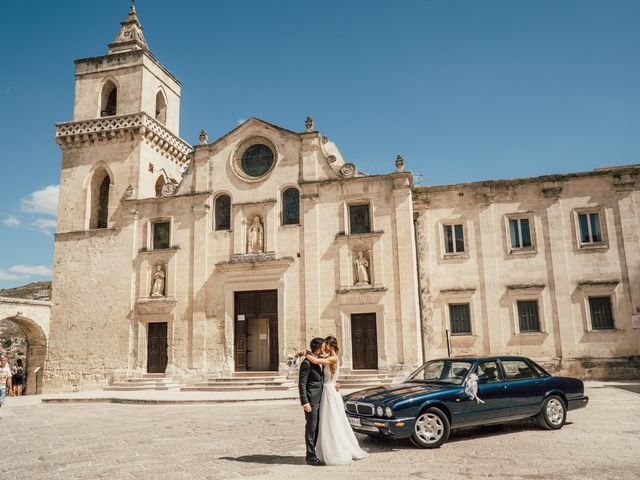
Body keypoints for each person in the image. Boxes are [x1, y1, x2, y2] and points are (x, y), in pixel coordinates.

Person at [304, 335, 368, 466]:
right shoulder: (328, 358)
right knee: (328, 421)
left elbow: (315, 361)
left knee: (331, 420)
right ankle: (324, 449)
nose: (324, 348)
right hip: (329, 390)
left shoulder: (332, 358)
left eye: (326, 345)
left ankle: (334, 449)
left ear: (331, 346)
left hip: (329, 391)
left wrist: (305, 354)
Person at [298, 338, 325, 466]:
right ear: (318, 348)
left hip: (322, 399)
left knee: (318, 427)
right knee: (311, 428)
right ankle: (310, 456)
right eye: (323, 346)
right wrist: (305, 402)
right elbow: (302, 384)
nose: (325, 349)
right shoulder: (306, 363)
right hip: (311, 400)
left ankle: (315, 452)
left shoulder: (321, 360)